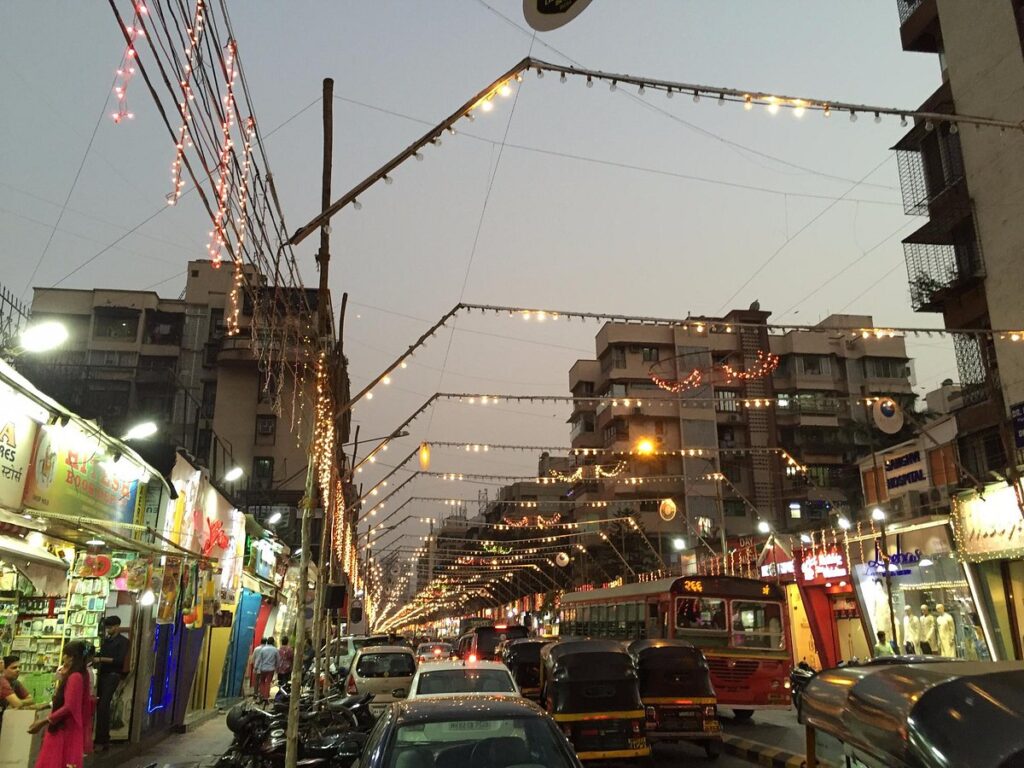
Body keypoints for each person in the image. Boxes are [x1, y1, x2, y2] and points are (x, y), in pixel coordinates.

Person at [28, 641, 94, 768]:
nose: (63, 658)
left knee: (55, 762)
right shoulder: (81, 674)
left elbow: (69, 707)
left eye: (65, 655)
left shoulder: (75, 677)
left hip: (65, 729)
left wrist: (44, 721)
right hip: (65, 726)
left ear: (72, 657)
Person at [93, 616, 129, 751]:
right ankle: (102, 738)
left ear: (117, 626)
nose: (108, 630)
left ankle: (102, 740)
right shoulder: (104, 641)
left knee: (103, 705)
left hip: (113, 675)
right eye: (107, 627)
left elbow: (119, 661)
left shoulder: (123, 642)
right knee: (100, 706)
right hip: (102, 675)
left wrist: (101, 659)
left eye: (111, 627)